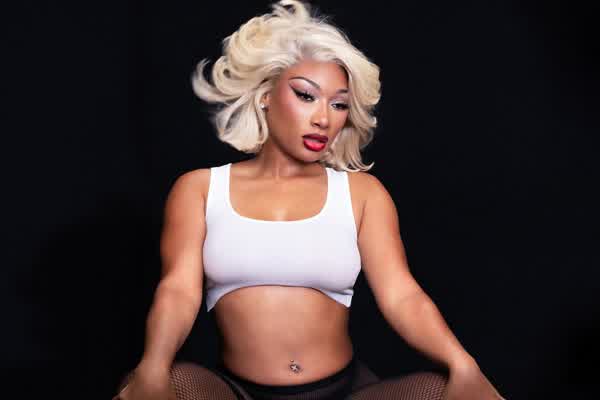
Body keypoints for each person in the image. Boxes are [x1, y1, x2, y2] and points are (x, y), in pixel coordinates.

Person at [113, 1, 505, 399]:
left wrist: (462, 363)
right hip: (236, 393)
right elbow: (178, 290)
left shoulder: (362, 194)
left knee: (445, 389)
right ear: (265, 95)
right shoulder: (199, 189)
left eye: (338, 104)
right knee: (160, 382)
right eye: (306, 96)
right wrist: (153, 365)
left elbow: (401, 295)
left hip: (343, 392)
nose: (324, 119)